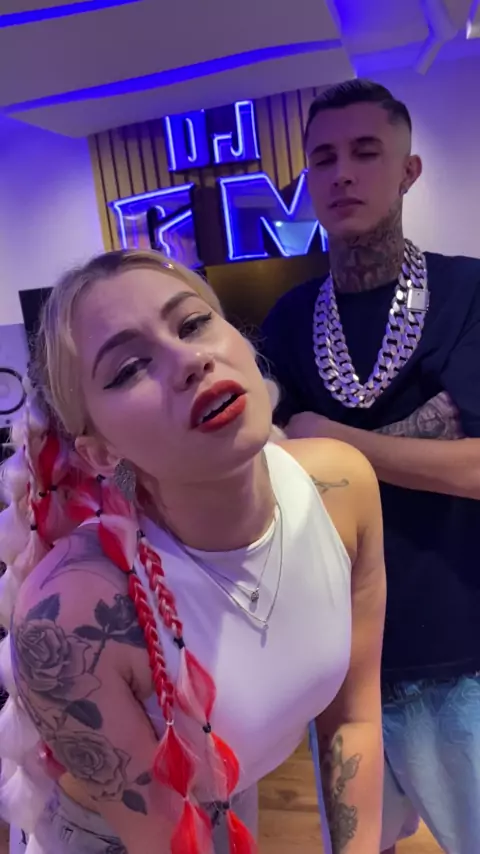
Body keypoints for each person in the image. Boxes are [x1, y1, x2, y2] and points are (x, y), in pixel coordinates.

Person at [0, 249, 385, 854]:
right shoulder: (72, 614)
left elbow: (355, 718)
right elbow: (168, 838)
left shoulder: (341, 488)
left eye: (193, 323)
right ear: (100, 451)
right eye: (129, 368)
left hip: (227, 793)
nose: (189, 360)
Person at [260, 78, 480, 854]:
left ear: (408, 170)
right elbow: (267, 465)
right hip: (341, 661)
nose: (342, 173)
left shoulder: (467, 291)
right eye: (323, 158)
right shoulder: (289, 319)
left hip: (458, 651)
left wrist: (330, 436)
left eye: (365, 152)